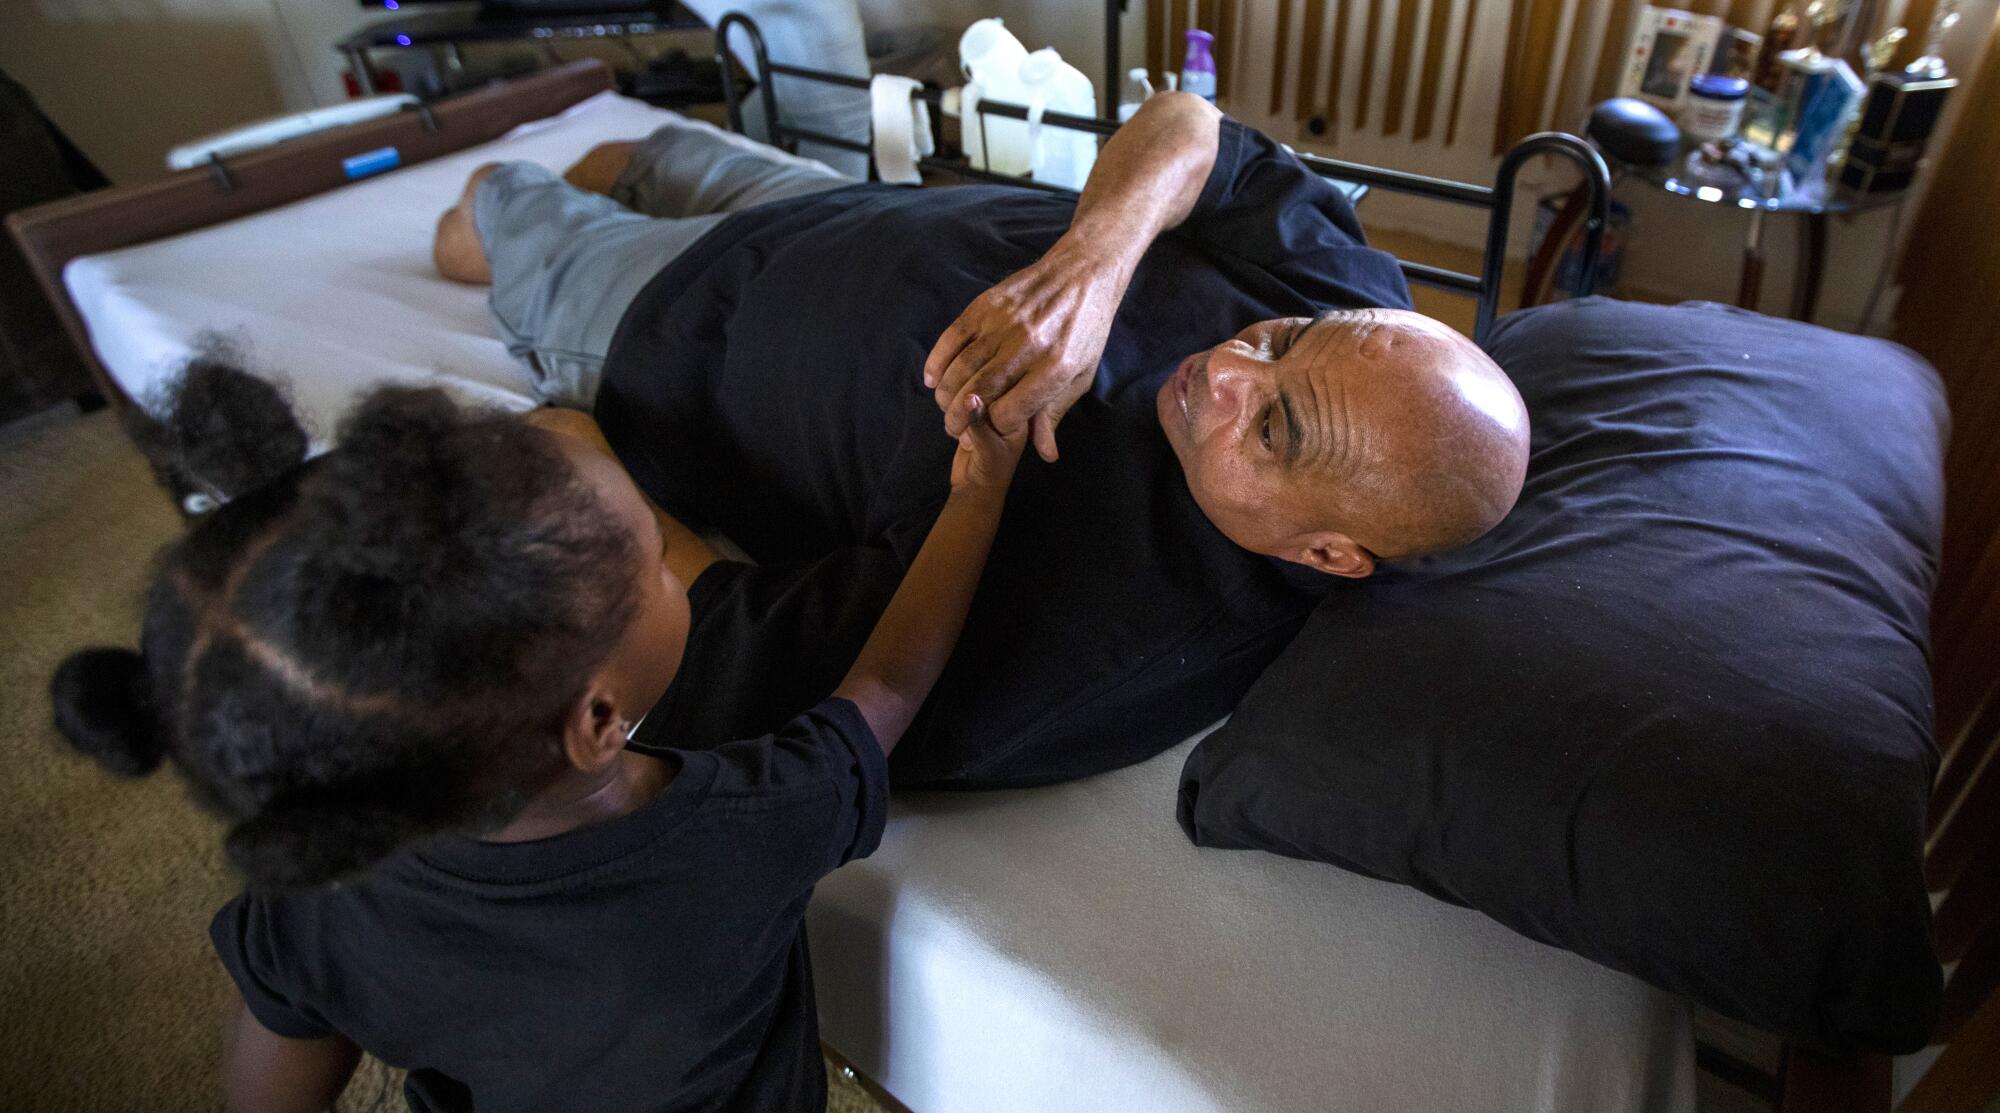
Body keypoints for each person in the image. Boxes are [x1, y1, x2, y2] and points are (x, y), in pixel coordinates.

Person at [436, 92, 1531, 787]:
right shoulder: (1353, 306)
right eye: (1281, 338)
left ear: (1326, 552)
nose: (1234, 368)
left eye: (1276, 424)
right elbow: (1189, 126)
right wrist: (1091, 269)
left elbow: (730, 666)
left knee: (499, 196)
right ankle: (625, 163)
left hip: (674, 322)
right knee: (651, 138)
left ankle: (504, 204)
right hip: (837, 204)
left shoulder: (1085, 639)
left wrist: (583, 466)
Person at [48, 359, 1026, 1112]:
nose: (673, 561)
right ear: (599, 719)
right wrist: (980, 489)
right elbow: (887, 684)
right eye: (656, 562)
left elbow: (275, 1065)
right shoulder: (743, 822)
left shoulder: (322, 885)